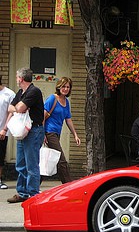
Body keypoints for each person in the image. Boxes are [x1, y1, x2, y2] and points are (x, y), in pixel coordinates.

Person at [5, 68, 45, 203]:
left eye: (17, 78)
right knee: (20, 163)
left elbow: (19, 108)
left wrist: (18, 108)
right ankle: (22, 192)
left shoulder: (34, 91)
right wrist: (18, 107)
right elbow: (11, 107)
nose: (16, 80)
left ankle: (33, 194)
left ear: (21, 79)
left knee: (32, 165)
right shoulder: (21, 92)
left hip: (34, 131)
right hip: (23, 132)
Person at [43, 77, 80, 184]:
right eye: (63, 86)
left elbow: (68, 120)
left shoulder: (66, 102)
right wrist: (43, 134)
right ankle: (69, 185)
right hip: (49, 133)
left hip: (56, 134)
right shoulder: (52, 99)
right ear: (59, 87)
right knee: (61, 160)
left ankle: (33, 187)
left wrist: (75, 135)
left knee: (49, 160)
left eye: (68, 87)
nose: (65, 89)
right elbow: (43, 116)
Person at [0, 75, 15, 189]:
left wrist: (5, 129)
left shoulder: (9, 94)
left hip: (2, 130)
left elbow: (12, 112)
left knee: (0, 156)